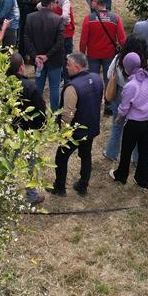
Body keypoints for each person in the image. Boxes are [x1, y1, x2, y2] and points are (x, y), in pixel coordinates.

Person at [52, 53, 103, 196]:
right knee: (86, 155)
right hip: (91, 128)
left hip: (75, 132)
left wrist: (63, 133)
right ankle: (83, 186)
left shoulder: (72, 87)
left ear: (76, 67)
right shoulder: (97, 78)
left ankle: (59, 188)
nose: (66, 68)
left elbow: (67, 114)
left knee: (61, 158)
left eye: (68, 65)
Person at [108, 52, 148, 189]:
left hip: (134, 124)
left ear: (127, 68)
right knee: (146, 152)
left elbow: (124, 107)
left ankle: (121, 175)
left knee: (126, 150)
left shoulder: (131, 85)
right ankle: (144, 180)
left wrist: (119, 119)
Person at [101, 36, 148, 164]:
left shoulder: (119, 59)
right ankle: (137, 158)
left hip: (119, 94)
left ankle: (111, 152)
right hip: (137, 94)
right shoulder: (144, 62)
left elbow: (108, 75)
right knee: (136, 127)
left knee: (117, 125)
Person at [7, 52, 47, 206]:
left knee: (8, 162)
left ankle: (5, 192)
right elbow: (40, 109)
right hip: (29, 132)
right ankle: (31, 195)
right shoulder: (29, 86)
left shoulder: (2, 85)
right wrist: (40, 127)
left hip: (10, 131)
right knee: (31, 163)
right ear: (22, 67)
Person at [79, 0, 125, 112]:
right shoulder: (115, 18)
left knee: (93, 80)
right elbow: (122, 39)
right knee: (109, 79)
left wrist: (82, 52)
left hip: (93, 55)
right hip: (109, 55)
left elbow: (83, 39)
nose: (91, 2)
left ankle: (94, 104)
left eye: (92, 0)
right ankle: (108, 105)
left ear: (97, 3)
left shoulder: (88, 19)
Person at [24, 0, 66, 110]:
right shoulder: (57, 19)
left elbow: (26, 38)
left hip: (38, 61)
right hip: (54, 60)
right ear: (52, 4)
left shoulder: (30, 18)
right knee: (54, 89)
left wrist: (35, 55)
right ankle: (55, 115)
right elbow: (60, 42)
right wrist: (48, 56)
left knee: (38, 88)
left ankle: (38, 112)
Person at [51, 0, 75, 77]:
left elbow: (40, 6)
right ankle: (66, 76)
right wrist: (66, 21)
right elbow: (65, 16)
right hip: (66, 33)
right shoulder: (65, 1)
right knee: (67, 55)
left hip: (55, 32)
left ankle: (59, 76)